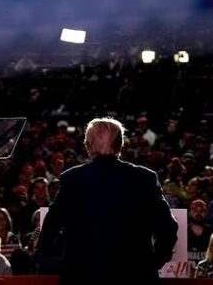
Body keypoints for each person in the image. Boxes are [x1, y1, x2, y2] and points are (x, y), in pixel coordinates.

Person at [37, 117, 178, 285]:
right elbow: (168, 228)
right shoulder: (144, 178)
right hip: (134, 277)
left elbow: (50, 228)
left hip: (83, 277)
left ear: (88, 145)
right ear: (120, 145)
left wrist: (53, 263)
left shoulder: (72, 179)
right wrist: (151, 264)